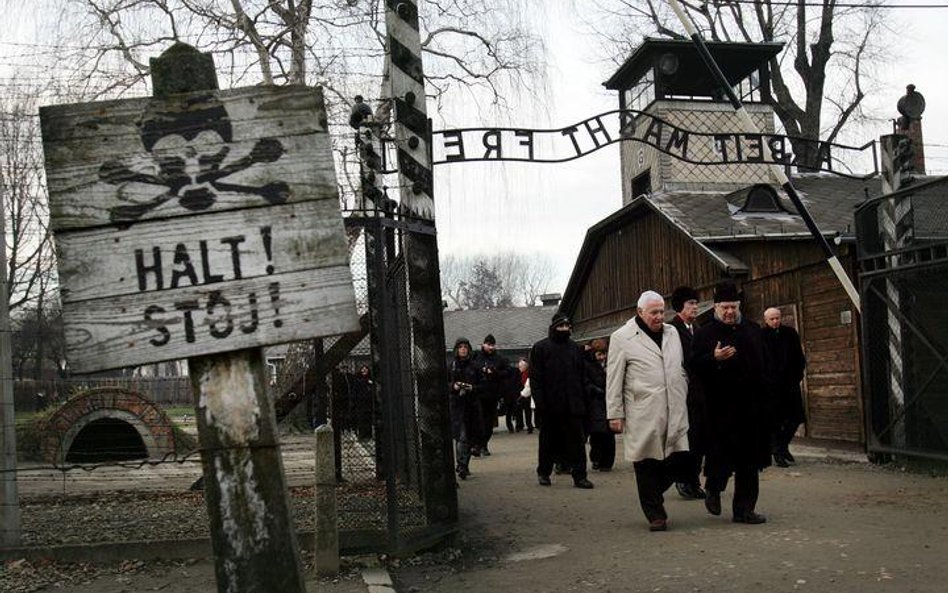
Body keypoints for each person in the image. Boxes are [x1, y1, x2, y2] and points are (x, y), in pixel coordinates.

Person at [606, 291, 690, 531]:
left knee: (679, 458)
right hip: (642, 409)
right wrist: (615, 413)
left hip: (674, 405)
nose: (659, 316)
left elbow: (679, 365)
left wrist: (683, 385)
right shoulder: (622, 337)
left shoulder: (672, 333)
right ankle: (656, 514)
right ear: (640, 312)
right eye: (654, 312)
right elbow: (614, 378)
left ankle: (654, 493)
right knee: (645, 462)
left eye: (662, 311)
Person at [691, 282, 771, 525]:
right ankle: (713, 490)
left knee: (749, 461)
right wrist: (713, 358)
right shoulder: (705, 333)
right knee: (720, 456)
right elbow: (692, 366)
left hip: (751, 407)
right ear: (716, 306)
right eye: (724, 307)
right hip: (719, 408)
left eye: (733, 307)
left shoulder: (753, 329)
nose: (729, 312)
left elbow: (764, 364)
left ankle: (744, 510)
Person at [530, 312, 594, 489]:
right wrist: (541, 403)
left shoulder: (574, 348)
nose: (564, 329)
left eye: (567, 327)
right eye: (561, 326)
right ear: (553, 328)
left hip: (573, 405)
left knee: (577, 442)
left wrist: (583, 400)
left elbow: (582, 376)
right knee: (547, 442)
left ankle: (580, 475)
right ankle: (544, 472)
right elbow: (536, 379)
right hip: (550, 406)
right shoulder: (541, 348)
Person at [668, 285, 707, 500]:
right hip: (682, 391)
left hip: (699, 392)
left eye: (695, 303)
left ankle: (693, 481)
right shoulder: (671, 330)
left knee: (698, 438)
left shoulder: (698, 329)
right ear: (680, 307)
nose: (695, 307)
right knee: (684, 438)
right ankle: (682, 480)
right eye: (691, 303)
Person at [761, 307, 807, 467]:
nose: (775, 321)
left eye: (777, 318)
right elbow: (759, 362)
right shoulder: (761, 336)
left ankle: (782, 446)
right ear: (765, 320)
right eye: (772, 319)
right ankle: (778, 452)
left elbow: (799, 357)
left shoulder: (790, 333)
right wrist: (766, 381)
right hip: (771, 388)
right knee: (774, 421)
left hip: (790, 384)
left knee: (795, 418)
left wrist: (797, 376)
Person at [448, 337, 480, 480]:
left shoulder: (474, 366)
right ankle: (461, 465)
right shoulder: (451, 366)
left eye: (465, 347)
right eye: (460, 347)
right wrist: (453, 387)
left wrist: (472, 388)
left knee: (469, 436)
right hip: (457, 405)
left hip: (471, 405)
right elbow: (445, 383)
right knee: (461, 437)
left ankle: (464, 464)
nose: (463, 349)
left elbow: (483, 385)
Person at [471, 334, 508, 456]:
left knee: (488, 422)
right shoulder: (476, 356)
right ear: (483, 344)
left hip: (492, 394)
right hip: (478, 393)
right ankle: (477, 444)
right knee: (479, 420)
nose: (491, 347)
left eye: (492, 345)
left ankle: (483, 445)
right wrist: (482, 369)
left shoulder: (499, 358)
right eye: (488, 345)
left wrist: (495, 372)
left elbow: (507, 372)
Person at [584, 339, 615, 471]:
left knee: (609, 434)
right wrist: (593, 389)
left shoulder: (611, 364)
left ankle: (607, 462)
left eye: (604, 354)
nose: (602, 357)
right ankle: (596, 458)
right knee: (597, 434)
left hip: (608, 401)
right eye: (599, 354)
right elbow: (584, 382)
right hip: (595, 402)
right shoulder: (587, 366)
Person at [516, 358, 535, 434]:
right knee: (520, 411)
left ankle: (529, 426)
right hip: (521, 394)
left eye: (521, 366)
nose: (520, 368)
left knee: (528, 412)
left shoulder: (528, 374)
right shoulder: (519, 374)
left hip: (527, 395)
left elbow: (528, 386)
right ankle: (520, 425)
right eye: (519, 366)